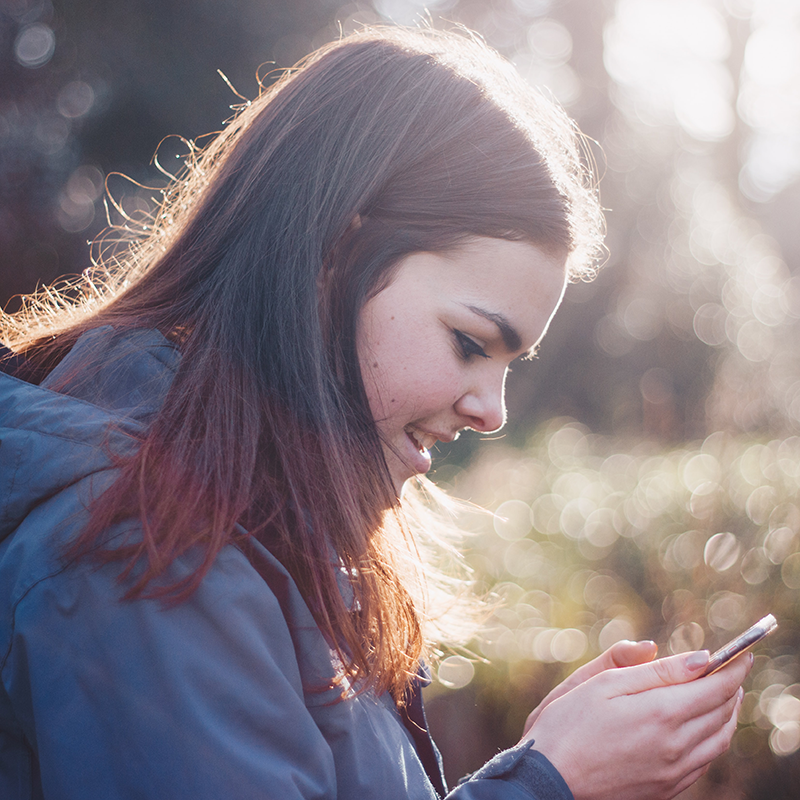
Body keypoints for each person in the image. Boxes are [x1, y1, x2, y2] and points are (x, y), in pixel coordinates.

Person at [0, 26, 749, 800]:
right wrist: (549, 783)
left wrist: (545, 763)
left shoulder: (247, 519)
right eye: (468, 342)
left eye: (508, 366)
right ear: (333, 256)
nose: (491, 412)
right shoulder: (143, 548)